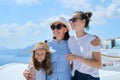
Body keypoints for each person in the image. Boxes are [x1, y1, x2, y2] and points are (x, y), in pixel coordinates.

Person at [23, 17, 101, 80]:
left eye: (58, 27)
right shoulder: (47, 44)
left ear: (66, 29)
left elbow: (83, 44)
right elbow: (35, 59)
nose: (55, 29)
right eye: (53, 27)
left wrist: (98, 41)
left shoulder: (72, 42)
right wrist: (28, 70)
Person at [66, 11, 101, 80]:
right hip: (75, 75)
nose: (71, 22)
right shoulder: (70, 40)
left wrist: (78, 58)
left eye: (74, 20)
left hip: (90, 77)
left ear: (83, 22)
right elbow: (73, 62)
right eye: (70, 20)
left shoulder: (92, 40)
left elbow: (98, 64)